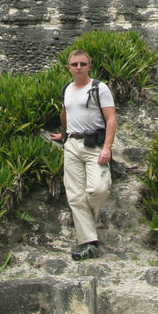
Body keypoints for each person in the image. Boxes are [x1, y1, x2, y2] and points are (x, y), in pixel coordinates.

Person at [50, 49, 116, 260]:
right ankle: (88, 242)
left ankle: (89, 224)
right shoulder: (67, 89)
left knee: (98, 189)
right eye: (75, 64)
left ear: (89, 66)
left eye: (83, 64)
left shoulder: (100, 88)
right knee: (76, 196)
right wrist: (62, 133)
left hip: (94, 145)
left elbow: (111, 119)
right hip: (72, 145)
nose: (79, 67)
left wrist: (107, 147)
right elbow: (65, 112)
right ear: (68, 67)